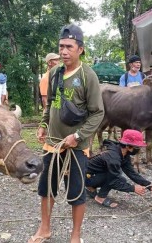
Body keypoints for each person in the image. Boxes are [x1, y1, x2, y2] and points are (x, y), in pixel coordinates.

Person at [30, 24, 104, 243]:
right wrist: (44, 123)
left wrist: (78, 137)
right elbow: (50, 104)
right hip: (52, 143)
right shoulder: (53, 73)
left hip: (76, 146)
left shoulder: (88, 75)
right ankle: (44, 229)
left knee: (77, 192)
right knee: (46, 189)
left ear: (80, 49)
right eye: (61, 46)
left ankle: (75, 236)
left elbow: (97, 113)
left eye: (69, 47)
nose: (64, 51)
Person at [85, 130, 152, 208]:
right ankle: (99, 197)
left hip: (94, 175)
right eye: (137, 147)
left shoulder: (123, 153)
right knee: (116, 178)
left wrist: (150, 186)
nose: (139, 149)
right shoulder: (113, 158)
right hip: (85, 177)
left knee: (120, 178)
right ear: (127, 146)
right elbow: (113, 181)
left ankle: (91, 188)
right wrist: (133, 188)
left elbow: (131, 173)